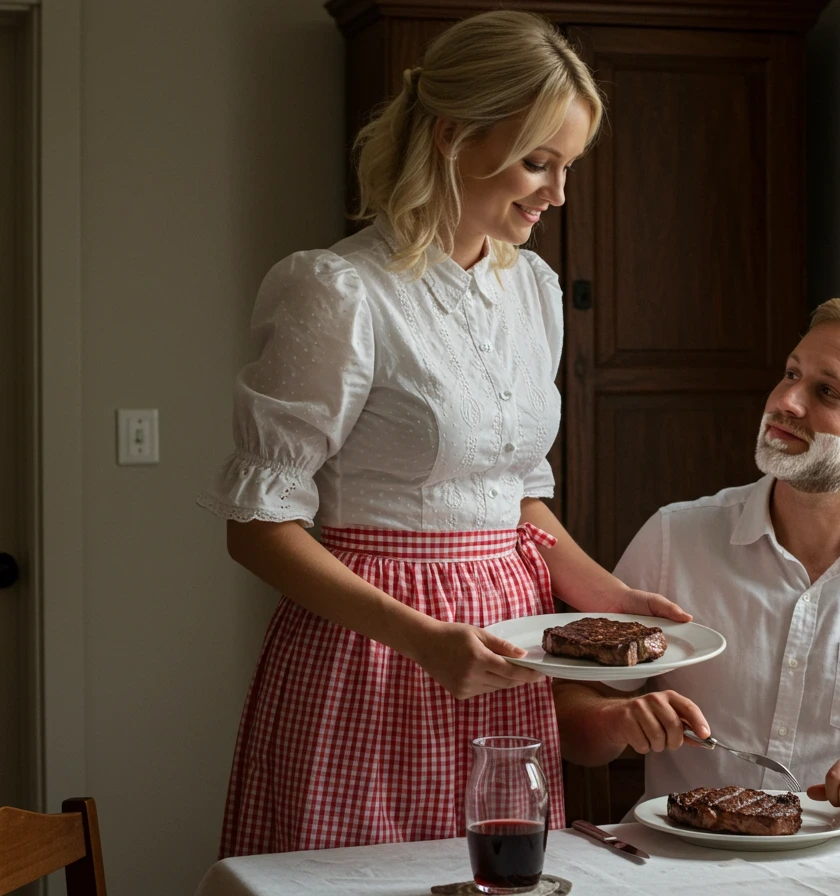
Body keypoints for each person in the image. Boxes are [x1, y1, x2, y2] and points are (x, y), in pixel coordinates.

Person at [197, 10, 686, 857]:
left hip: (508, 651)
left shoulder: (533, 290)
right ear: (455, 137)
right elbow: (256, 528)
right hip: (373, 659)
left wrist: (605, 598)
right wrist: (424, 640)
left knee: (500, 870)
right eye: (539, 162)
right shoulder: (340, 291)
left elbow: (516, 494)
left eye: (567, 166)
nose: (559, 193)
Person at [553, 297, 840, 819]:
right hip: (681, 865)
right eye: (790, 374)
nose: (787, 401)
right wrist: (618, 719)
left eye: (826, 391)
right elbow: (572, 716)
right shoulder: (675, 536)